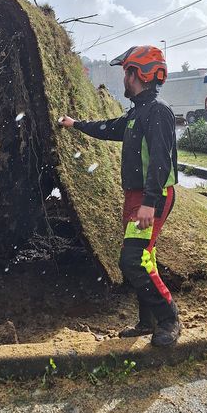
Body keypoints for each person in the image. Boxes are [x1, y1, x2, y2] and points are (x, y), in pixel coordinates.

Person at [59, 45, 180, 346]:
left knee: (133, 260)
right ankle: (147, 321)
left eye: (126, 72)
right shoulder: (137, 113)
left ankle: (169, 319)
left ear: (138, 73)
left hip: (154, 196)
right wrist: (76, 125)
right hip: (137, 196)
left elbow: (160, 162)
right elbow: (111, 127)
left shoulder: (158, 112)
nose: (124, 79)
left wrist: (149, 203)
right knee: (144, 258)